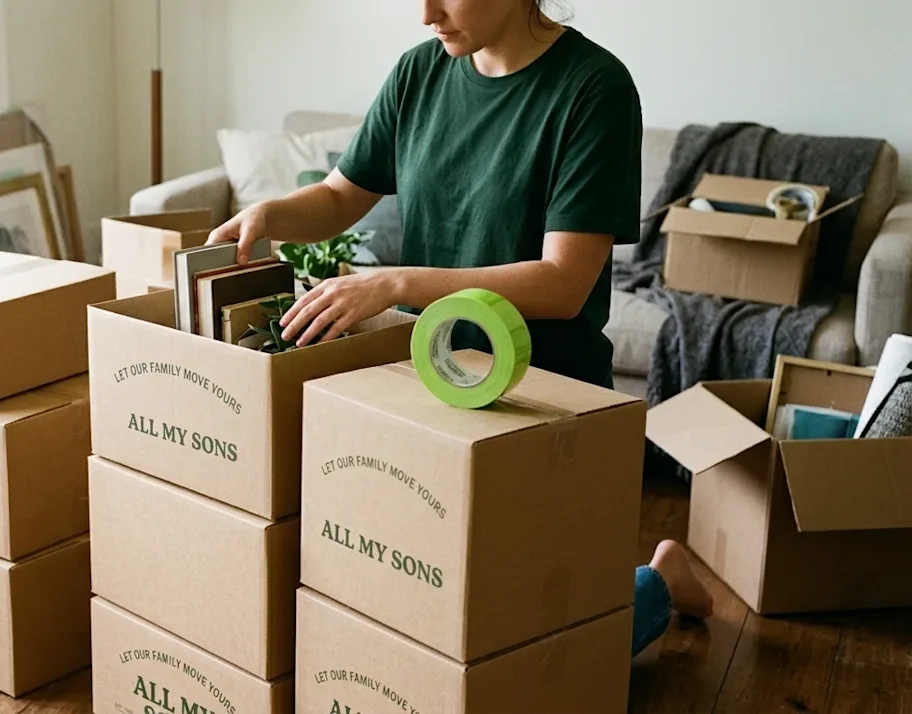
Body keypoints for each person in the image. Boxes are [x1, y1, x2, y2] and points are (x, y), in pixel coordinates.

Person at [207, 0, 713, 656]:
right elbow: (338, 198)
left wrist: (394, 282)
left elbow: (564, 283)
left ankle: (660, 583)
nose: (426, 14)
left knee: (539, 649)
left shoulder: (593, 88)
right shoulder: (419, 74)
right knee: (432, 626)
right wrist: (267, 214)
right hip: (434, 389)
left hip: (542, 398)